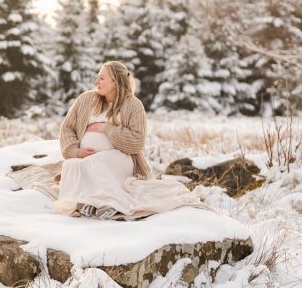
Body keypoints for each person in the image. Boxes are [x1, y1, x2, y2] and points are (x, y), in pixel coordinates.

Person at [52, 60, 200, 219]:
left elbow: (137, 142)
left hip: (121, 159)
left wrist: (106, 128)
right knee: (70, 165)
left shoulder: (133, 105)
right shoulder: (85, 100)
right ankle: (84, 204)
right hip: (88, 158)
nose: (96, 82)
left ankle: (112, 204)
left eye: (102, 78)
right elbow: (67, 128)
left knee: (95, 162)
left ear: (115, 82)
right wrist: (76, 151)